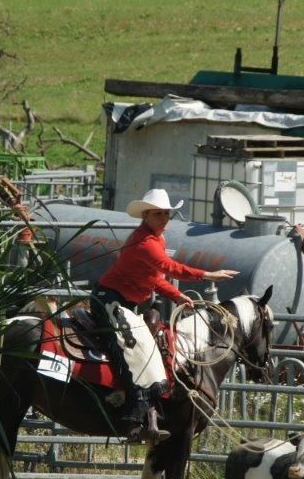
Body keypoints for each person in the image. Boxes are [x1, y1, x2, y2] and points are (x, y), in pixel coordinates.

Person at [91, 189, 238, 444]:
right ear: (146, 215)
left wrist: (176, 296)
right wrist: (208, 275)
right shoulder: (146, 243)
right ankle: (134, 410)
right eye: (158, 214)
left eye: (167, 214)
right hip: (110, 300)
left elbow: (154, 279)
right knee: (134, 347)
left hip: (120, 301)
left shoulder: (153, 240)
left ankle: (135, 404)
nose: (164, 218)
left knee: (140, 345)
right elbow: (169, 268)